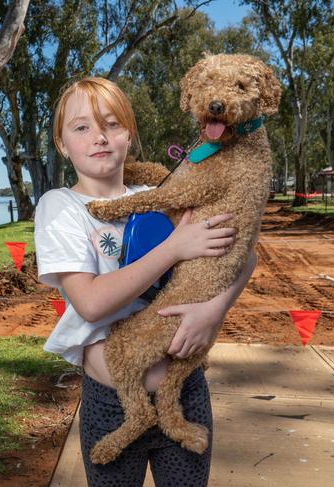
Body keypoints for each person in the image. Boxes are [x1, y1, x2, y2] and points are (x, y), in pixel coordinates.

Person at [34, 77, 256, 487]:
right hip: (112, 403)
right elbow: (92, 303)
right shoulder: (62, 207)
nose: (99, 137)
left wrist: (213, 311)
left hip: (186, 395)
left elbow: (244, 254)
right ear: (63, 144)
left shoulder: (164, 194)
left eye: (112, 124)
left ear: (129, 134)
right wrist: (175, 248)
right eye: (81, 127)